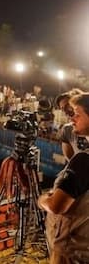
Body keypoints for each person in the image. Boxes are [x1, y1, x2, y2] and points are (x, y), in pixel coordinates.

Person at [38, 92, 89, 263]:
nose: (72, 118)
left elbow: (56, 206)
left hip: (71, 249)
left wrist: (42, 199)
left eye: (77, 113)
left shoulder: (83, 160)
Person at [54, 89, 88, 161]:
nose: (66, 112)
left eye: (68, 106)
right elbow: (70, 159)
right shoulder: (67, 130)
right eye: (63, 109)